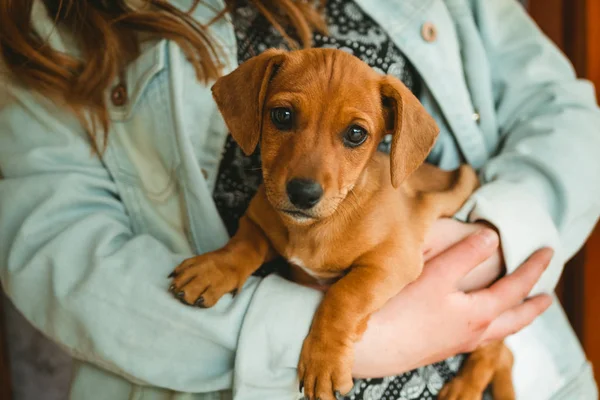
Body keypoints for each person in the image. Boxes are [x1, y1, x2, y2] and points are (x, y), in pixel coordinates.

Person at [0, 0, 598, 399]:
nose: (307, 174)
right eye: (284, 118)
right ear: (252, 108)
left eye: (355, 135)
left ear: (388, 136)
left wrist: (494, 241)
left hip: (472, 303)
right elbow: (50, 242)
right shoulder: (60, 22)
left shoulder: (380, 189)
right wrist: (336, 333)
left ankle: (493, 362)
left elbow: (569, 116)